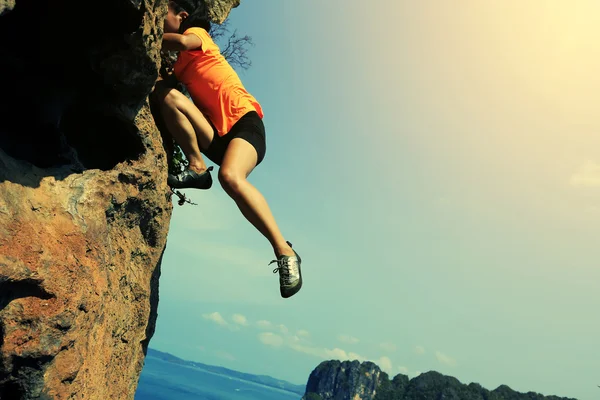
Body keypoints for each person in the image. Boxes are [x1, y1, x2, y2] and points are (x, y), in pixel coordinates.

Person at [151, 0, 303, 298]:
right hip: (216, 137)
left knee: (231, 178)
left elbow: (181, 40)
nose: (158, 18)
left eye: (163, 13)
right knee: (166, 96)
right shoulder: (179, 66)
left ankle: (284, 251)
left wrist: (149, 35)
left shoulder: (197, 35)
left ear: (181, 15)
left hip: (245, 125)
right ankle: (197, 168)